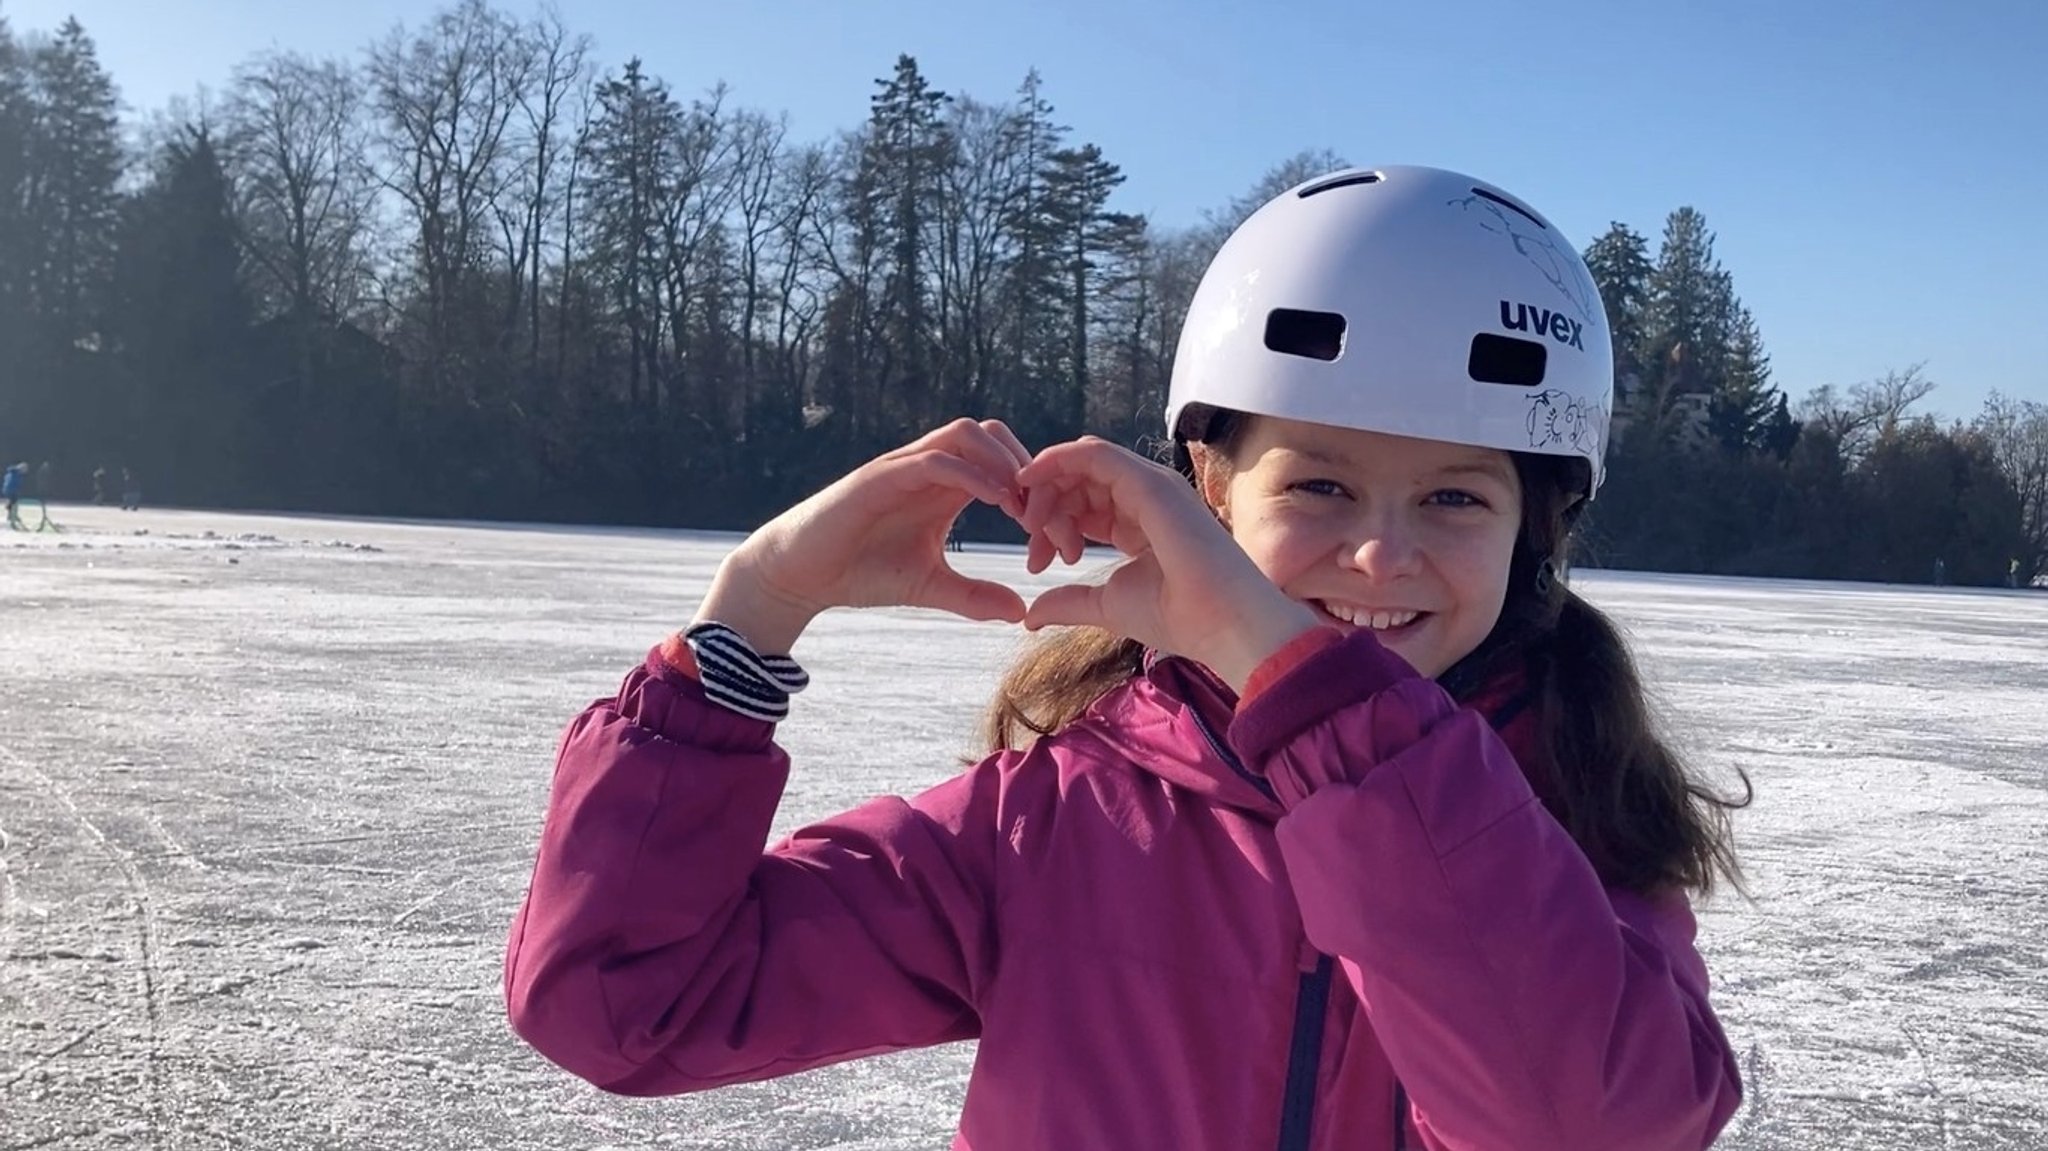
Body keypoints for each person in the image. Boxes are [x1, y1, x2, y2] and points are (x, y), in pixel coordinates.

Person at [504, 165, 1750, 1150]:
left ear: (1535, 529)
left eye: (1454, 500)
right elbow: (623, 1001)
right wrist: (751, 617)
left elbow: (1583, 1124)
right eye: (1317, 483)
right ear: (1206, 488)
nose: (1379, 555)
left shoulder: (1570, 830)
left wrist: (1320, 704)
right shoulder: (1043, 821)